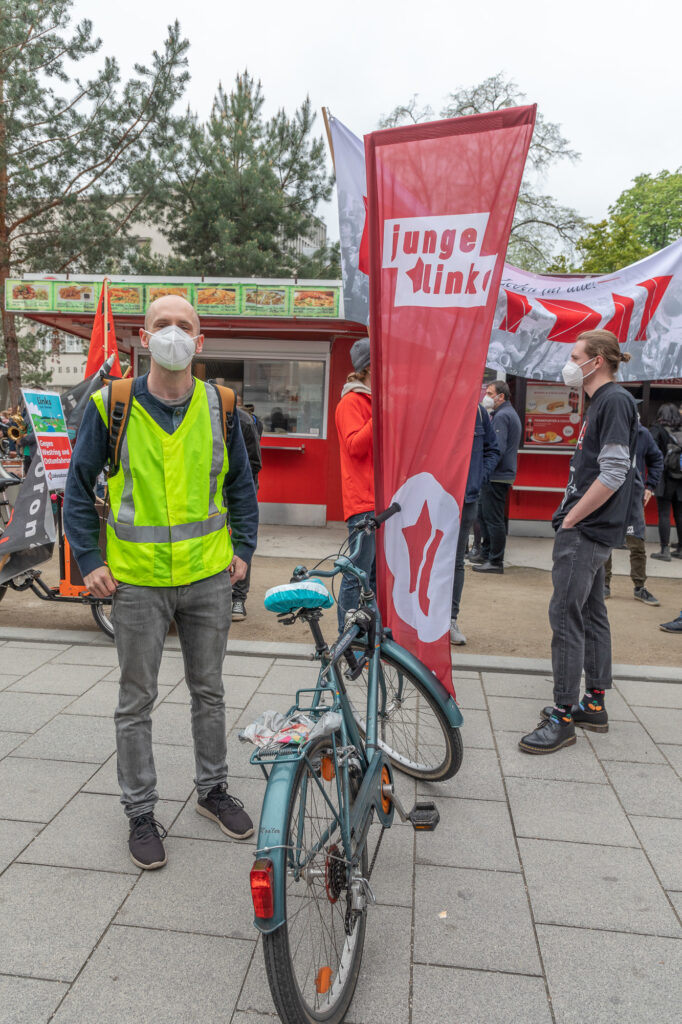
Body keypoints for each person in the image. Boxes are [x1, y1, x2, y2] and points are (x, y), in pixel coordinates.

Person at [64, 295, 259, 869]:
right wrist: (89, 560)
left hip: (208, 577)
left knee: (210, 692)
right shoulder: (111, 407)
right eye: (162, 324)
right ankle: (141, 810)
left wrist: (243, 549)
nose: (173, 333)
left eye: (185, 326)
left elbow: (240, 488)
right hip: (135, 582)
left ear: (200, 343)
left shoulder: (222, 406)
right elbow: (78, 490)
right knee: (136, 701)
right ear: (142, 338)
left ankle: (213, 791)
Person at [519, 329, 637, 755]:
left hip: (585, 530)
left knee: (565, 615)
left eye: (575, 356)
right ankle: (594, 704)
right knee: (591, 611)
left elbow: (614, 470)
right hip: (591, 528)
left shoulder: (614, 401)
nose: (569, 365)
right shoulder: (603, 402)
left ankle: (563, 714)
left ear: (598, 360)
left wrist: (571, 517)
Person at [450, 404, 500, 644]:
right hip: (433, 496)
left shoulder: (478, 411)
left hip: (466, 499)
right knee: (425, 559)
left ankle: (449, 619)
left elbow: (493, 449)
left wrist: (478, 477)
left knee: (456, 561)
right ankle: (423, 619)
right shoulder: (431, 402)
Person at [335, 336, 374, 630]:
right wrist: (379, 416)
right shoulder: (351, 402)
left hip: (379, 502)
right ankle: (345, 638)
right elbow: (355, 446)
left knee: (371, 576)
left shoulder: (369, 400)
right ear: (370, 367)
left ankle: (369, 636)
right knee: (356, 573)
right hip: (363, 502)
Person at [603, 417, 663, 605]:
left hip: (634, 495)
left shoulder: (643, 434)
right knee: (605, 541)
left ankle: (639, 586)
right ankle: (603, 585)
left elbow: (657, 459)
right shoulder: (607, 432)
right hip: (607, 494)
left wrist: (650, 486)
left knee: (637, 542)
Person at [471, 380, 522, 574]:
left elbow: (496, 449)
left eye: (490, 393)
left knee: (493, 519)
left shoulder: (502, 416)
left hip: (497, 475)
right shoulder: (505, 414)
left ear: (501, 396)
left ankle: (495, 560)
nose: (486, 397)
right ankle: (486, 554)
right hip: (498, 474)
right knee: (485, 516)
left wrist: (482, 471)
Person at [230, 397, 262, 621]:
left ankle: (238, 598)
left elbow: (254, 464)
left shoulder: (244, 422)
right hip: (207, 493)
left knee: (240, 542)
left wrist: (240, 494)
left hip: (239, 490)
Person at [648, 403, 682, 561]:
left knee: (664, 513)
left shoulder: (657, 429)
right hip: (680, 477)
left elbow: (651, 452)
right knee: (680, 513)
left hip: (664, 477)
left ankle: (665, 550)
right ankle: (681, 549)